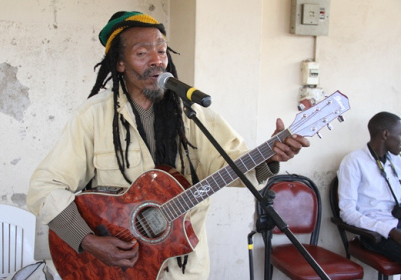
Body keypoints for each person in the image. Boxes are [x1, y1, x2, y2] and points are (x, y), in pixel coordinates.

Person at [27, 11, 309, 279]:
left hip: (185, 271)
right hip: (117, 270)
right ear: (120, 63)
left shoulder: (192, 115)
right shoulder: (93, 116)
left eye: (161, 51)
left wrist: (270, 156)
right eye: (141, 53)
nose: (157, 61)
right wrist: (87, 240)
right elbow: (45, 188)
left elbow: (232, 164)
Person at [338, 111, 401, 263]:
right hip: (376, 233)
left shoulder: (395, 159)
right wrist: (390, 231)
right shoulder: (353, 162)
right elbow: (347, 213)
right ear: (385, 134)